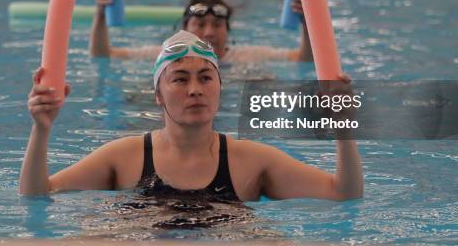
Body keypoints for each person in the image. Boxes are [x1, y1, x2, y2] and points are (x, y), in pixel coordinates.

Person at [20, 30, 363, 202]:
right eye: (180, 79)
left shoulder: (253, 160)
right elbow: (36, 196)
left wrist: (342, 129)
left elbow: (343, 194)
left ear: (219, 88)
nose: (195, 89)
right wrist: (41, 131)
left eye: (205, 78)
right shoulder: (123, 157)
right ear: (157, 95)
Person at [90, 0, 313, 63]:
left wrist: (307, 22)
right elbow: (103, 55)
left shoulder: (246, 56)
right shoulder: (166, 56)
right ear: (184, 29)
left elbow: (303, 59)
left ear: (228, 30)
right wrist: (100, 14)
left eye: (217, 25)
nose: (208, 32)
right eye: (199, 24)